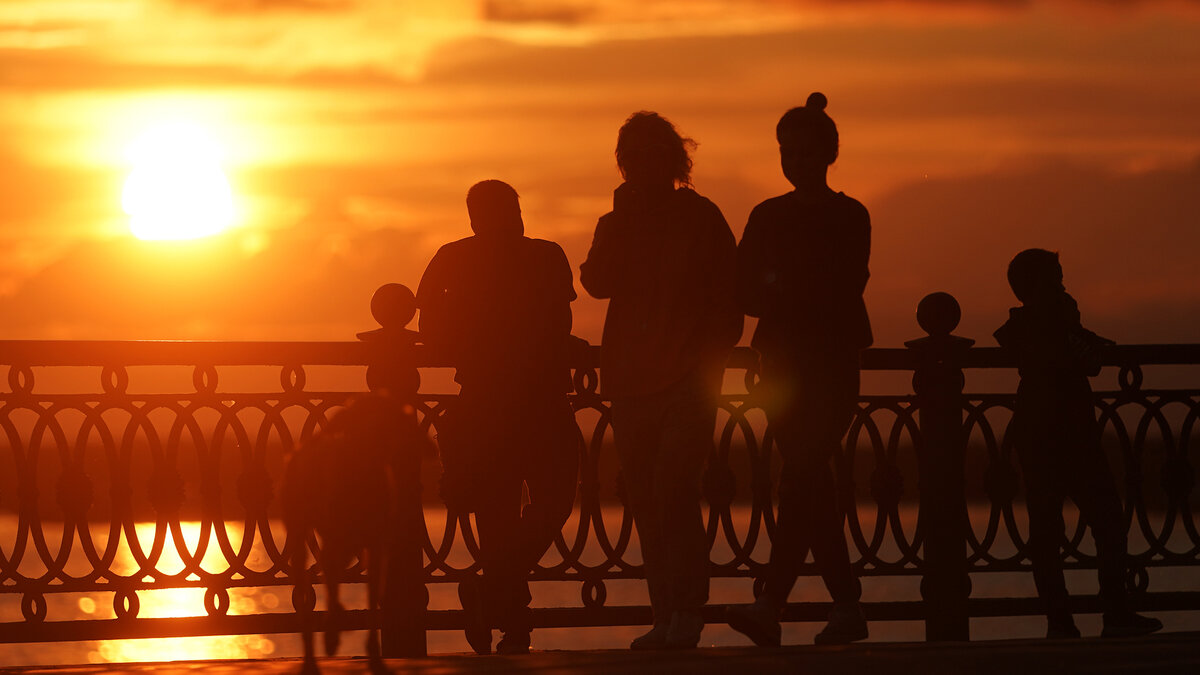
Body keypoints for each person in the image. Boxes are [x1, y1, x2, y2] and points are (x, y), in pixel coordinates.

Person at [580, 111, 742, 650]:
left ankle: (688, 610)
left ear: (672, 161)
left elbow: (729, 294)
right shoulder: (617, 219)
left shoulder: (700, 217)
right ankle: (665, 612)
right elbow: (597, 282)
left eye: (648, 156)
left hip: (687, 380)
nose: (636, 168)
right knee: (647, 500)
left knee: (675, 490)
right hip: (631, 379)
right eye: (629, 159)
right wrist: (621, 221)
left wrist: (707, 363)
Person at [726, 92, 870, 647]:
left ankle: (774, 604)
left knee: (804, 475)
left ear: (828, 155)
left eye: (805, 152)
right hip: (781, 365)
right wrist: (787, 287)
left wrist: (780, 284)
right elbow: (746, 290)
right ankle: (843, 608)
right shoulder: (767, 214)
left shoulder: (849, 214)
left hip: (831, 364)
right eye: (787, 151)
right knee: (808, 481)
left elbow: (842, 285)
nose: (794, 162)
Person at [417, 180, 580, 655]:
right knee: (508, 516)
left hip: (521, 400)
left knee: (538, 508)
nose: (510, 217)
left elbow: (432, 331)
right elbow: (432, 327)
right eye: (501, 210)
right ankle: (513, 625)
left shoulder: (542, 255)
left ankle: (492, 596)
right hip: (502, 402)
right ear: (478, 218)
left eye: (512, 208)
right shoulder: (458, 258)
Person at [994, 248, 1163, 639]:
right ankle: (1109, 614)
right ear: (1040, 284)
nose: (1064, 283)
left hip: (1039, 429)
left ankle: (1062, 621)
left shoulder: (1030, 324)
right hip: (1064, 430)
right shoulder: (1051, 320)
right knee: (1104, 519)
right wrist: (1077, 331)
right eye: (1057, 276)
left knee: (1049, 528)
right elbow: (1086, 362)